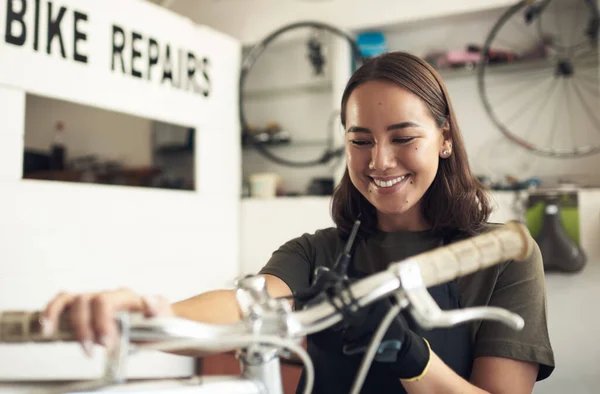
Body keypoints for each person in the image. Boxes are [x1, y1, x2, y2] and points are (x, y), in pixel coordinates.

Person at [41, 51, 554, 394]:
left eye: (403, 138)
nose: (379, 161)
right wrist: (136, 316)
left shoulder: (503, 256)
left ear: (444, 139)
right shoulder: (318, 253)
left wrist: (411, 358)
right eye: (360, 140)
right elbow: (243, 306)